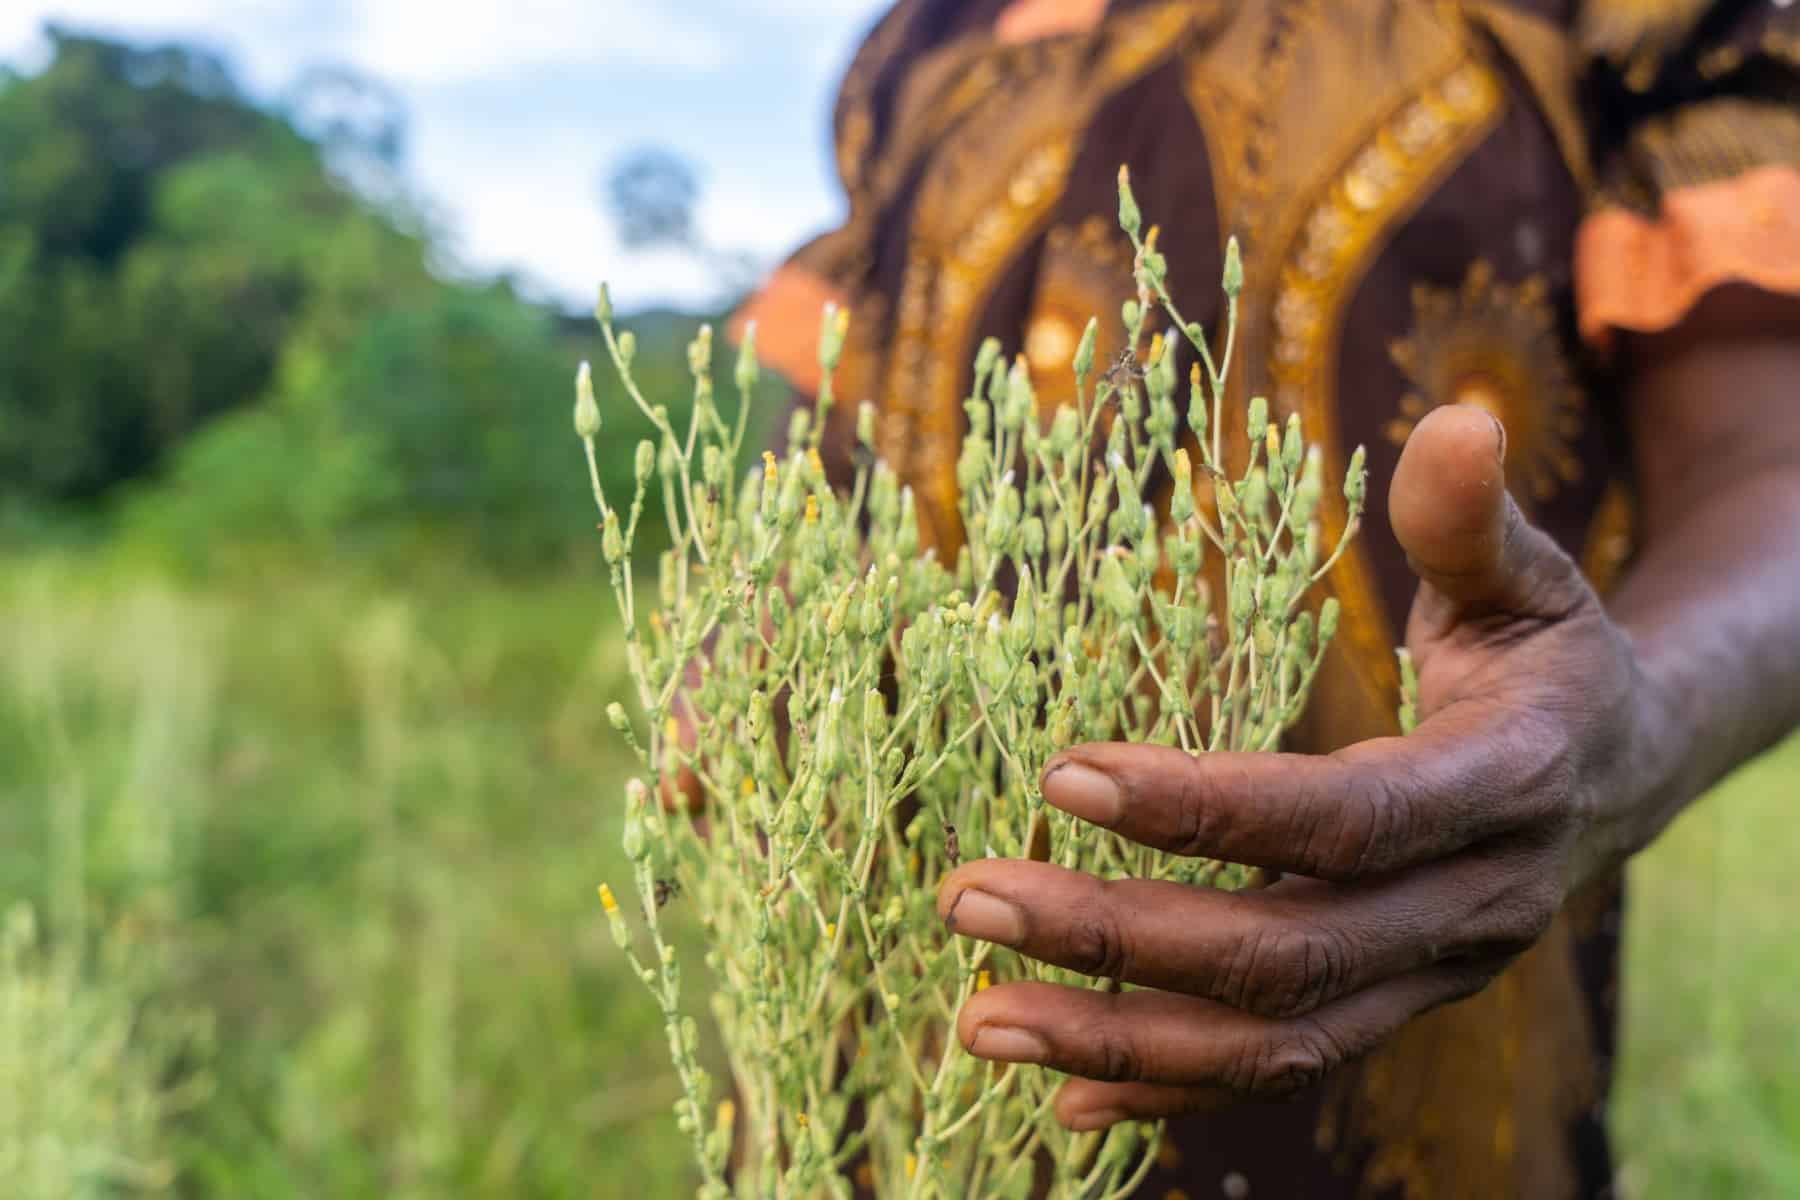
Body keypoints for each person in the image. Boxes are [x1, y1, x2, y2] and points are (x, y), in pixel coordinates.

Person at [729, 1, 1800, 1195]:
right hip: (895, 983)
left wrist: (1637, 724)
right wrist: (746, 634)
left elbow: (1777, 470)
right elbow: (832, 417)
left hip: (1411, 1027)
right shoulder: (931, 35)